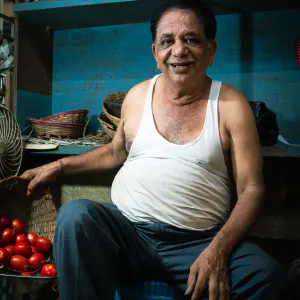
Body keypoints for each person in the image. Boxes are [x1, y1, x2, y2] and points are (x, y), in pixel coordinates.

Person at [21, 1, 285, 299]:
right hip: (129, 235)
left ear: (210, 51)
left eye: (191, 39)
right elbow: (115, 152)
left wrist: (217, 252)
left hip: (196, 244)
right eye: (167, 41)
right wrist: (59, 167)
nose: (179, 50)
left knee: (266, 275)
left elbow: (251, 189)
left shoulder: (231, 105)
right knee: (75, 216)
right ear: (155, 53)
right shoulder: (137, 95)